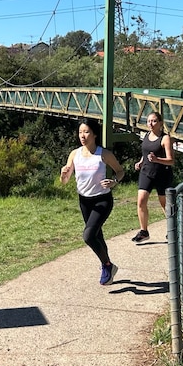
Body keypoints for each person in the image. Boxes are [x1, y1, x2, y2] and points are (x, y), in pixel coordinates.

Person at [60, 118, 126, 285]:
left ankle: (107, 265)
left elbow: (120, 171)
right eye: (80, 132)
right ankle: (107, 267)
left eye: (87, 132)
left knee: (88, 235)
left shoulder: (103, 154)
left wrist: (114, 182)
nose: (83, 136)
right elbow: (65, 180)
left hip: (102, 200)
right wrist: (63, 174)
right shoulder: (75, 154)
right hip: (84, 201)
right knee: (97, 235)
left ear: (95, 134)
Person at [131, 112, 174, 243]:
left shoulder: (165, 138)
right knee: (141, 201)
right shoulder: (146, 135)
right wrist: (140, 162)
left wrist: (157, 159)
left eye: (154, 121)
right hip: (146, 172)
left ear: (160, 123)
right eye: (149, 121)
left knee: (165, 204)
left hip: (162, 174)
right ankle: (144, 231)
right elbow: (145, 153)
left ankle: (173, 230)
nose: (150, 123)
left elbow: (171, 160)